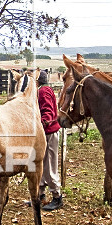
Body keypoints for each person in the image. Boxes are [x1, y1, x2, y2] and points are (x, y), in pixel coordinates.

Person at [37, 70, 64, 211]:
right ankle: (40, 196)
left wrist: (43, 121)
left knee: (49, 165)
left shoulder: (43, 91)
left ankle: (57, 197)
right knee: (41, 164)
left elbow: (47, 112)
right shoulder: (44, 90)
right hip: (45, 132)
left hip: (49, 132)